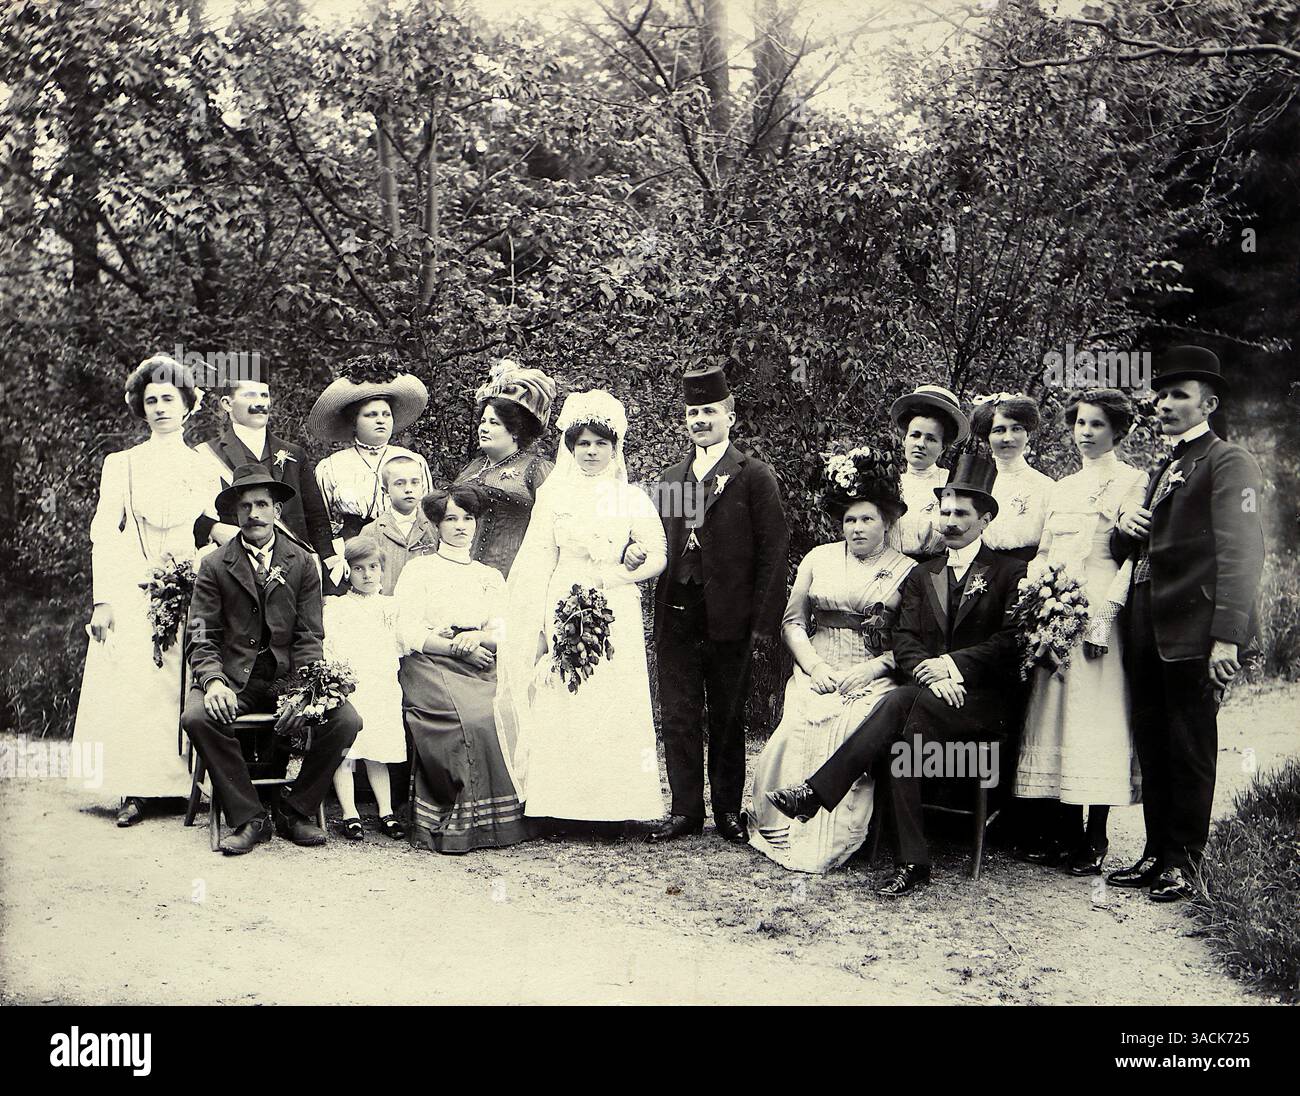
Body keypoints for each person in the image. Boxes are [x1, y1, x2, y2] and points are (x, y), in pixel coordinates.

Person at [766, 454, 1027, 897]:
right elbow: (904, 638)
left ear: (985, 519)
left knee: (900, 707)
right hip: (928, 698)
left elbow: (1012, 639)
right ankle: (912, 862)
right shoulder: (924, 574)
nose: (950, 521)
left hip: (977, 703)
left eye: (962, 513)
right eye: (944, 511)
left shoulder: (1010, 573)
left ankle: (816, 793)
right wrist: (928, 674)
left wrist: (950, 667)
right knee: (907, 737)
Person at [1108, 346, 1265, 902]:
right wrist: (1123, 526)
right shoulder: (1164, 467)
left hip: (1195, 627)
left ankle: (1185, 861)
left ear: (1209, 403)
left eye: (1180, 394)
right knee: (1152, 740)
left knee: (1190, 742)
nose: (1165, 403)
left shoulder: (1229, 462)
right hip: (1146, 623)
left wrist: (1227, 635)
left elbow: (1242, 555)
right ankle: (1155, 854)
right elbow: (1132, 548)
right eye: (1162, 393)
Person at [496, 391, 667, 824]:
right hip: (564, 602)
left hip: (615, 607)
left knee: (613, 700)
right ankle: (558, 807)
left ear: (615, 447)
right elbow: (537, 557)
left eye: (600, 443)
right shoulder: (554, 497)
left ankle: (616, 808)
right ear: (571, 447)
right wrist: (534, 620)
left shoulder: (632, 498)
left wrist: (628, 568)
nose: (591, 452)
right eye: (583, 443)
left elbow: (659, 553)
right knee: (565, 693)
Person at [71, 355, 225, 826]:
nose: (160, 407)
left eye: (169, 399)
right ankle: (136, 787)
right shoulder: (123, 464)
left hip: (191, 582)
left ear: (187, 405)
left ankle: (184, 785)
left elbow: (213, 527)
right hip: (136, 582)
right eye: (151, 399)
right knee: (137, 684)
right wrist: (104, 599)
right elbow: (105, 533)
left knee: (183, 681)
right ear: (141, 407)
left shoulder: (204, 463)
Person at [747, 450, 914, 873]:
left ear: (887, 522)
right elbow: (793, 621)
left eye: (867, 519)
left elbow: (914, 642)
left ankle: (828, 838)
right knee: (796, 725)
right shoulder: (818, 558)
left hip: (872, 672)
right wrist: (814, 666)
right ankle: (779, 826)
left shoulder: (907, 570)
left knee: (846, 723)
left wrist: (874, 668)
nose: (857, 528)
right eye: (850, 520)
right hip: (817, 665)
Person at [180, 465, 361, 855]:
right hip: (232, 679)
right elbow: (200, 635)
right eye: (244, 507)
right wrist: (212, 681)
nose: (254, 514)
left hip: (286, 680)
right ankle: (249, 816)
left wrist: (305, 692)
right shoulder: (214, 565)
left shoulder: (302, 562)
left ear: (277, 510)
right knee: (196, 717)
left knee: (346, 720)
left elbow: (310, 635)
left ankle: (295, 809)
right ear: (235, 515)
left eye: (262, 504)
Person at [645, 365, 790, 845]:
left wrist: (763, 623)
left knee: (727, 716)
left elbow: (774, 552)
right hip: (677, 613)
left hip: (730, 617)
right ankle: (685, 810)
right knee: (679, 714)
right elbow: (661, 544)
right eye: (693, 412)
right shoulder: (672, 477)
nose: (700, 419)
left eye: (709, 411)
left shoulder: (753, 476)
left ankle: (727, 810)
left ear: (730, 416)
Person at [1014, 389, 1147, 873]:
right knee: (1058, 716)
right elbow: (1045, 551)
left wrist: (1104, 617)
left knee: (1097, 717)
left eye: (1096, 425)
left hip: (1100, 613)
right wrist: (1036, 601)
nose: (1085, 433)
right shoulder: (1062, 487)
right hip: (1057, 610)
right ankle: (1065, 830)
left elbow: (1133, 559)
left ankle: (1097, 835)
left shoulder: (1133, 481)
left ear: (1118, 431)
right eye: (1079, 424)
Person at [394, 485, 528, 853]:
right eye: (450, 518)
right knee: (472, 719)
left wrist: (479, 638)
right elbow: (407, 630)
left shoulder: (489, 575)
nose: (460, 526)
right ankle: (462, 818)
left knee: (503, 710)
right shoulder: (419, 570)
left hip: (480, 659)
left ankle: (508, 817)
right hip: (429, 663)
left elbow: (505, 629)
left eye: (467, 518)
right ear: (436, 524)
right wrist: (457, 647)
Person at [196, 371, 341, 586]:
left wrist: (328, 558)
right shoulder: (205, 455)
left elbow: (315, 514)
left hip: (295, 566)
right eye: (250, 396)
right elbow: (192, 516)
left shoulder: (295, 454)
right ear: (227, 403)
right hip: (236, 568)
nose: (260, 403)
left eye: (264, 396)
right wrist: (213, 529)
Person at [325, 538, 407, 840]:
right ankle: (350, 812)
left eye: (373, 567)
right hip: (352, 686)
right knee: (347, 751)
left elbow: (403, 642)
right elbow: (330, 647)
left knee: (378, 752)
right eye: (359, 568)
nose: (367, 574)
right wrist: (337, 684)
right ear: (347, 572)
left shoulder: (390, 606)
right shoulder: (337, 607)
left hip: (381, 687)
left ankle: (385, 811)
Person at [307, 365, 431, 553]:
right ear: (354, 422)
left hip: (408, 548)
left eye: (386, 415)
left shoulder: (413, 461)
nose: (381, 420)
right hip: (355, 554)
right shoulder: (331, 466)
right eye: (371, 415)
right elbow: (319, 523)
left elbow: (428, 514)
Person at [453, 359, 556, 577]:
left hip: (513, 577)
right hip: (459, 575)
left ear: (516, 430)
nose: (484, 428)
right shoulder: (472, 468)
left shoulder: (537, 470)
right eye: (483, 421)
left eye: (494, 423)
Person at [890, 384, 970, 561]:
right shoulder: (891, 482)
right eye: (915, 435)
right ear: (904, 440)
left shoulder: (949, 484)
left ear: (943, 448)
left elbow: (952, 531)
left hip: (931, 573)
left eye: (931, 439)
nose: (920, 444)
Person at [970, 392, 1054, 562]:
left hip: (1028, 572)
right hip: (981, 572)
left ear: (1028, 435)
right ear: (987, 438)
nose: (1008, 438)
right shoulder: (976, 484)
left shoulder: (1047, 486)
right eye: (999, 430)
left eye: (1016, 429)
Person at [361, 455, 438, 594]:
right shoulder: (371, 531)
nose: (408, 489)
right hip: (387, 605)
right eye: (400, 483)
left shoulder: (436, 527)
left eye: (415, 482)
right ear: (385, 491)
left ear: (423, 486)